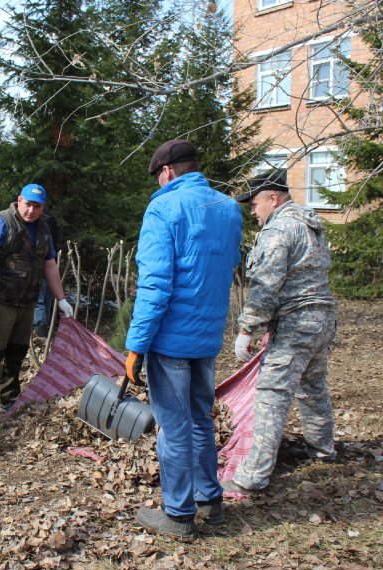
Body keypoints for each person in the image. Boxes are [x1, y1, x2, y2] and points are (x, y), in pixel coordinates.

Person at [125, 140, 243, 540]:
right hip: (207, 338)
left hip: (172, 342)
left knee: (173, 428)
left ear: (169, 172)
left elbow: (155, 284)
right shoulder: (229, 209)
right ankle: (210, 498)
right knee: (200, 420)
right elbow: (228, 265)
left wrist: (137, 345)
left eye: (158, 175)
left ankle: (178, 515)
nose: (158, 182)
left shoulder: (164, 208)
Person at [222, 170, 336, 495]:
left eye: (255, 204)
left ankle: (252, 476)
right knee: (313, 387)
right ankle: (322, 449)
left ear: (273, 198)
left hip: (296, 323)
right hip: (322, 318)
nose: (252, 212)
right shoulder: (309, 223)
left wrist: (247, 329)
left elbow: (266, 287)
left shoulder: (279, 229)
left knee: (271, 394)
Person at [0, 183, 74, 425]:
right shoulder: (1, 222)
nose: (31, 211)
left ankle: (9, 400)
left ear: (42, 207)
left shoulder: (44, 228)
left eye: (36, 206)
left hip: (26, 302)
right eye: (27, 204)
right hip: (0, 302)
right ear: (19, 200)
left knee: (16, 354)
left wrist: (61, 299)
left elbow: (49, 264)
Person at [32, 209, 61, 337]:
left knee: (39, 299)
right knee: (46, 298)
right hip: (50, 262)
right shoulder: (51, 218)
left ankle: (40, 333)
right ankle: (44, 329)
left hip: (40, 265)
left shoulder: (41, 221)